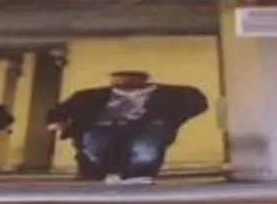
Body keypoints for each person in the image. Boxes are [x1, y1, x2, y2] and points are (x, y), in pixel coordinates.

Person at [47, 68, 210, 183]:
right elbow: (62, 110)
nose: (120, 83)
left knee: (145, 148)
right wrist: (56, 122)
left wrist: (170, 118)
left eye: (126, 80)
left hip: (146, 125)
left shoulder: (170, 94)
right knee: (94, 146)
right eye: (117, 80)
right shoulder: (89, 96)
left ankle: (139, 174)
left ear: (143, 81)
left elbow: (198, 103)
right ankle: (99, 171)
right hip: (102, 126)